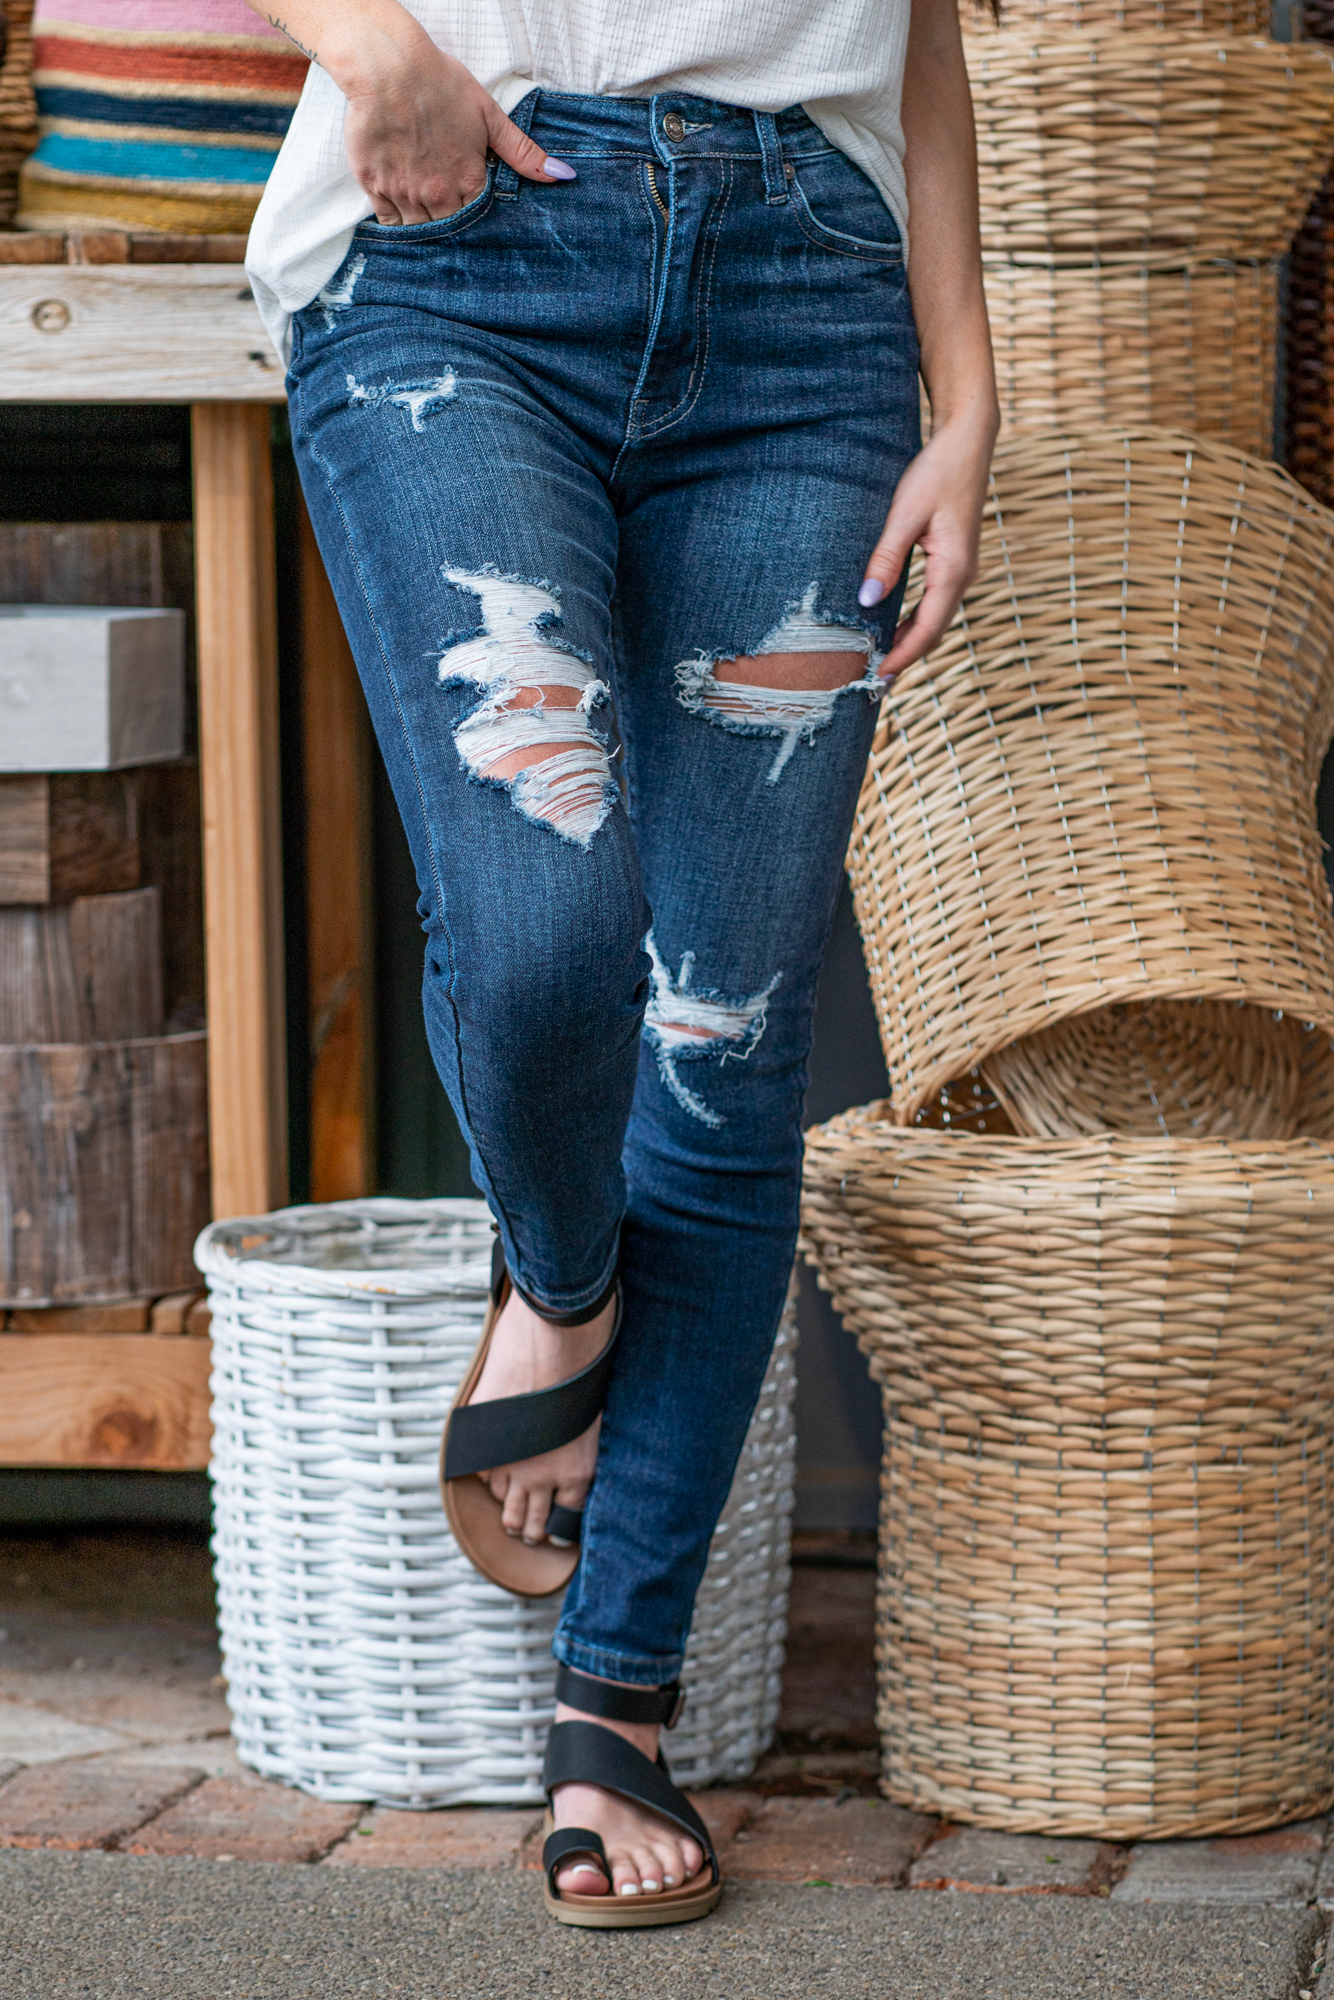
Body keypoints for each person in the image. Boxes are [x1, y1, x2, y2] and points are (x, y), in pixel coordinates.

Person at [245, 0, 997, 1929]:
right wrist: (369, 52)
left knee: (728, 1030)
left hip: (808, 306)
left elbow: (914, 27)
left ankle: (614, 1710)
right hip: (464, 249)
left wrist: (966, 382)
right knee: (541, 939)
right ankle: (564, 1285)